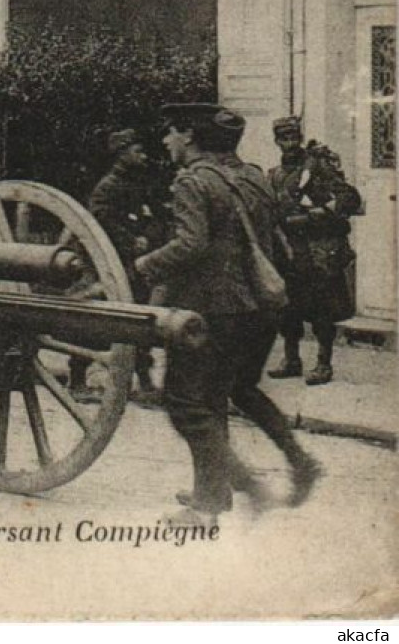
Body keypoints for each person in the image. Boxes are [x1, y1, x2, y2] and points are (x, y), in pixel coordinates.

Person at [134, 104, 321, 526]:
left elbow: (190, 244)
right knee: (228, 393)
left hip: (212, 311)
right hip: (261, 308)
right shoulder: (254, 176)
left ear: (190, 136)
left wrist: (144, 265)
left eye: (171, 133)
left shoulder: (193, 182)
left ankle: (241, 489)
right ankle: (289, 466)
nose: (166, 141)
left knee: (183, 403)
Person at [266, 116, 362, 386]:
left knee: (322, 310)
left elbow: (349, 198)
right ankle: (292, 360)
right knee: (289, 309)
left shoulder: (318, 167)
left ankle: (323, 364)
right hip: (289, 251)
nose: (290, 142)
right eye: (284, 138)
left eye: (294, 136)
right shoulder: (274, 175)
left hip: (317, 249)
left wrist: (313, 217)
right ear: (276, 141)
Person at [87, 128, 168, 403]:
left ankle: (144, 380)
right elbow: (100, 221)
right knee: (100, 319)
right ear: (122, 154)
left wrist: (149, 237)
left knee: (140, 319)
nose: (143, 156)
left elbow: (158, 216)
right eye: (138, 151)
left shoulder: (143, 183)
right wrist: (131, 240)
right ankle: (78, 373)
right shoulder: (107, 187)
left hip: (139, 265)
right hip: (114, 263)